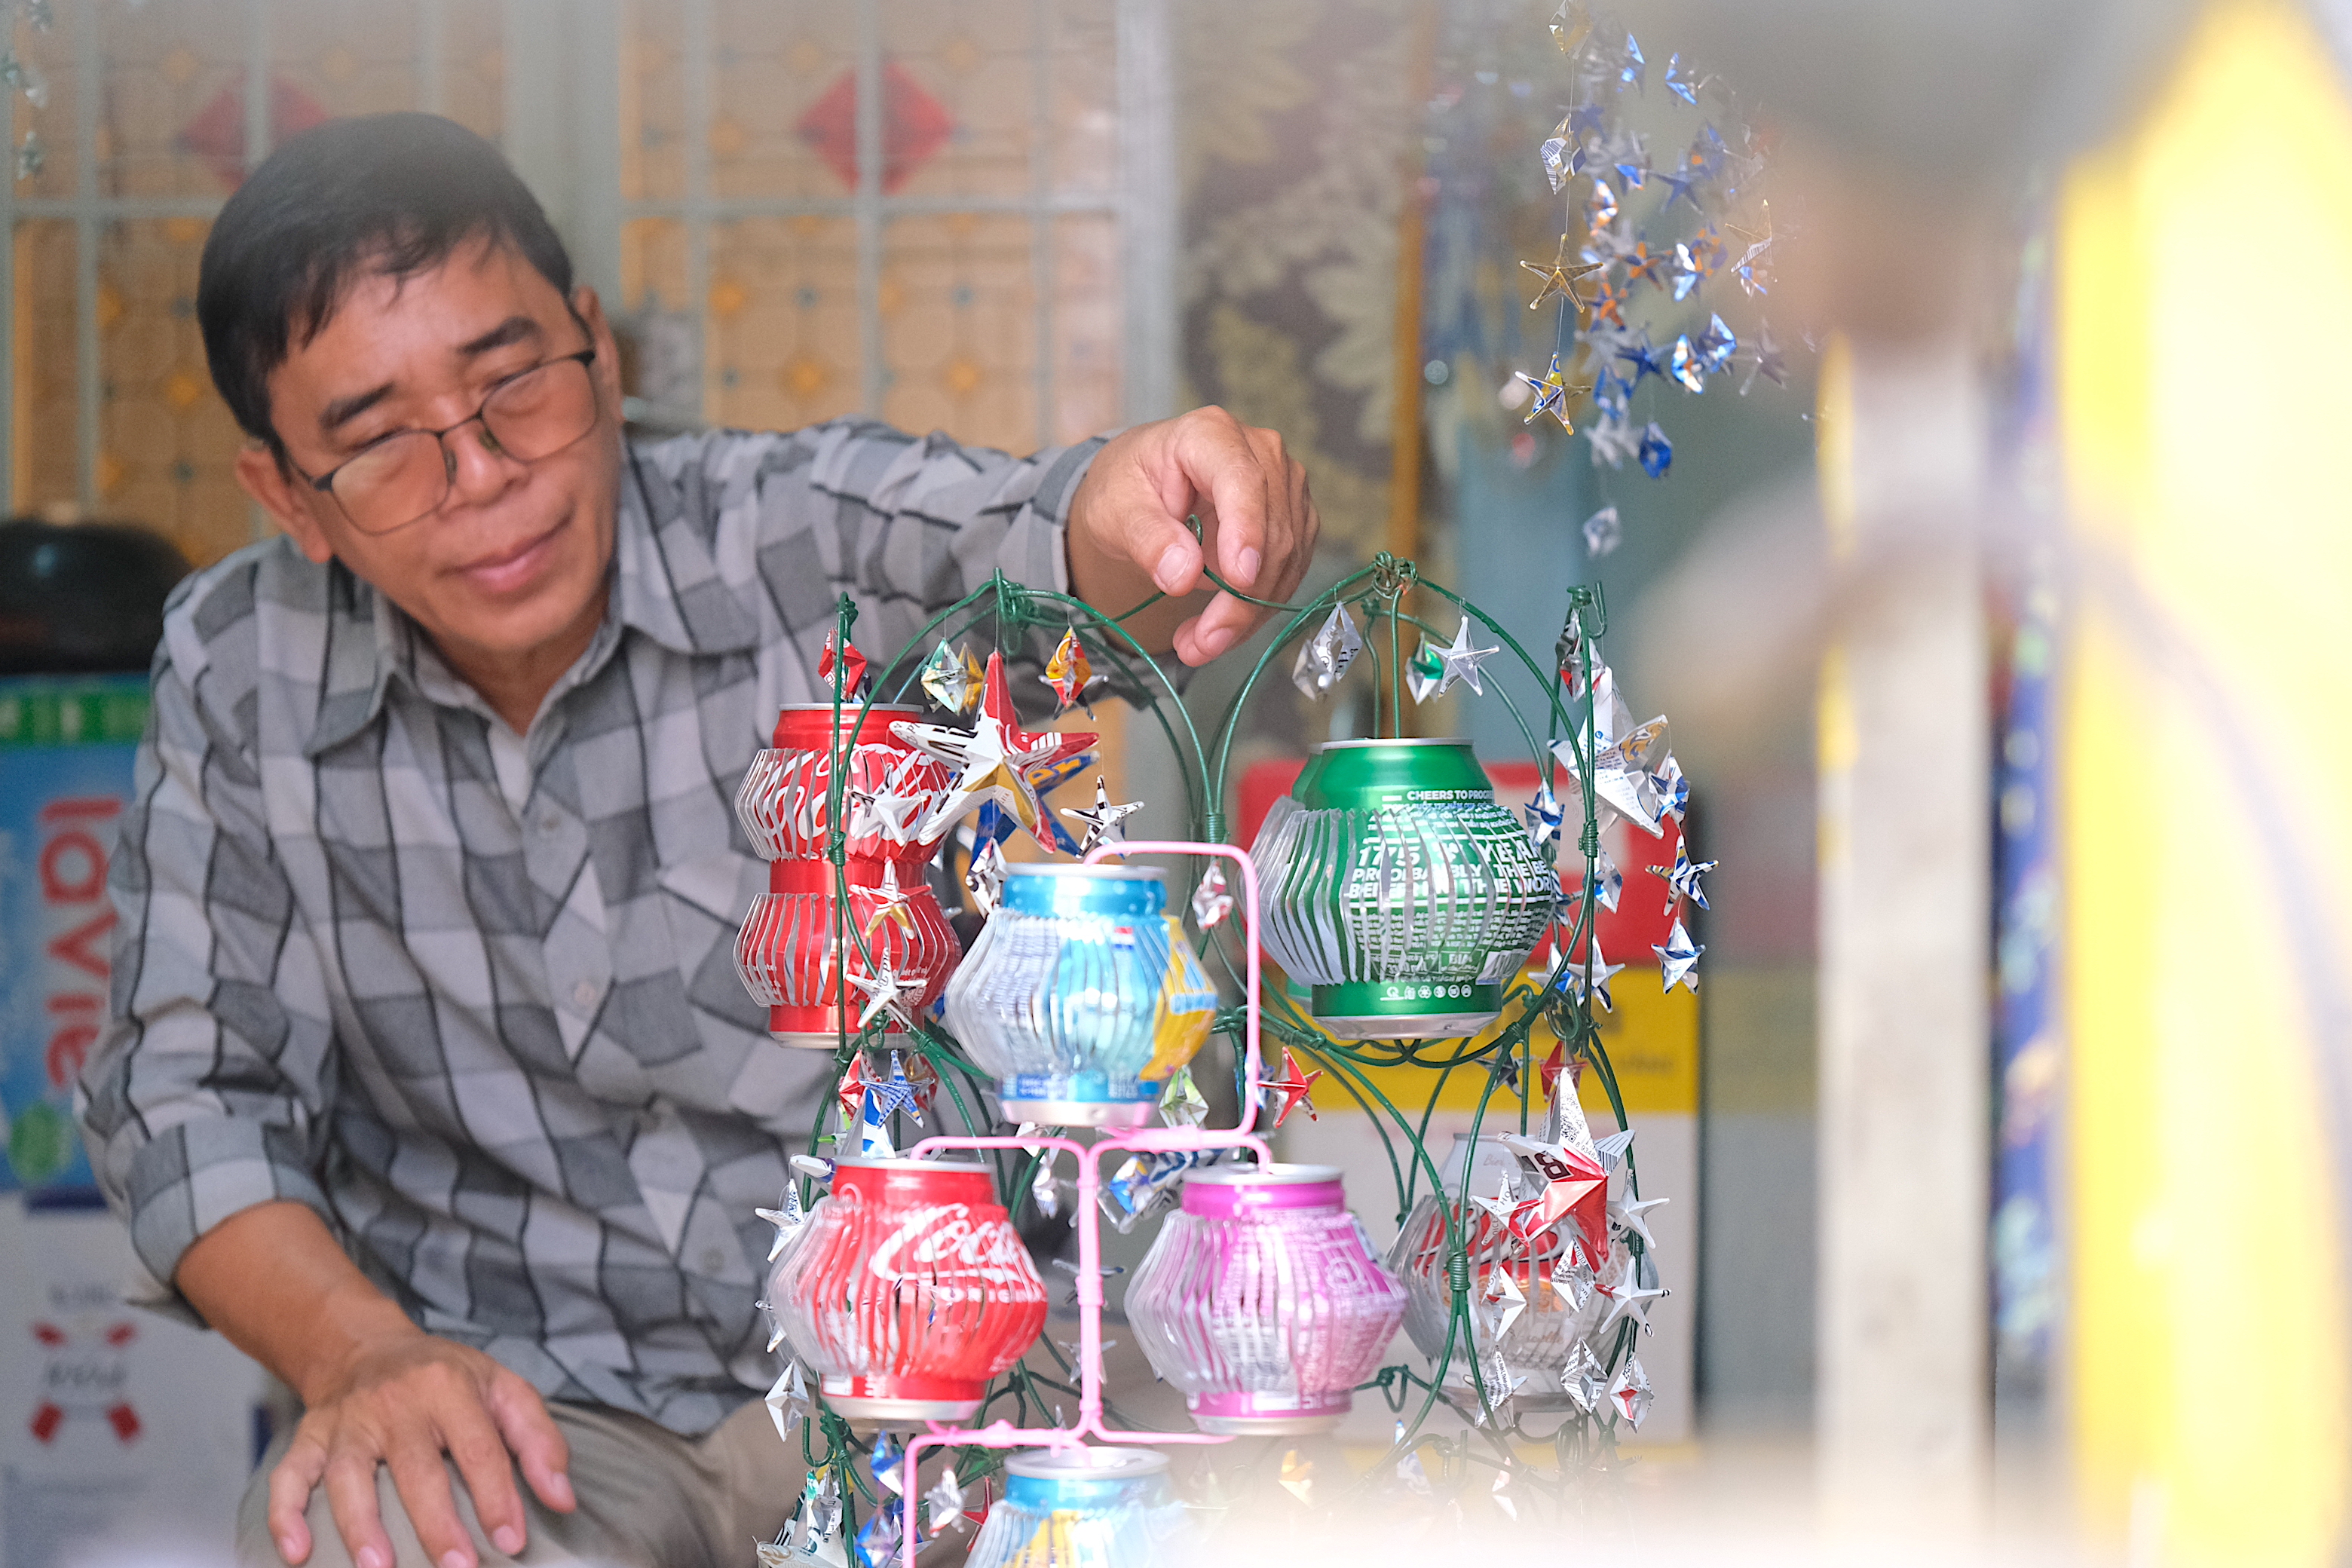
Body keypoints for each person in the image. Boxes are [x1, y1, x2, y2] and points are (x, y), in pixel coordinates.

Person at [77, 112, 1316, 1568]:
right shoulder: (241, 667)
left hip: (948, 1353)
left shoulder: (782, 528)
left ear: (596, 349)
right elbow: (186, 1093)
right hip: (535, 1401)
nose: (479, 478)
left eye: (511, 385)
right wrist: (357, 1357)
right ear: (288, 494)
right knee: (378, 1538)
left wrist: (1139, 508)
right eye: (379, 447)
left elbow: (1023, 532)